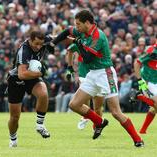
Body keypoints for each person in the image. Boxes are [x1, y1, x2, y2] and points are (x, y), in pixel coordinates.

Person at [45, 10, 144, 147]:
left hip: (105, 74)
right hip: (93, 74)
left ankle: (138, 139)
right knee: (74, 104)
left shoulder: (98, 36)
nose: (76, 27)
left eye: (78, 24)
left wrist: (79, 44)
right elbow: (67, 31)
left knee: (115, 112)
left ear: (87, 23)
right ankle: (100, 122)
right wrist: (53, 43)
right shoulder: (82, 31)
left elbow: (87, 58)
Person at [7, 31, 51, 148]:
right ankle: (13, 139)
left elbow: (58, 37)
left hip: (32, 76)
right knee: (15, 117)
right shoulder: (24, 51)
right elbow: (22, 74)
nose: (38, 47)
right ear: (30, 40)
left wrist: (76, 36)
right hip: (17, 79)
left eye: (41, 44)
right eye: (36, 44)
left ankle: (40, 125)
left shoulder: (43, 41)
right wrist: (40, 73)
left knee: (43, 93)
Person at [66, 43, 104, 130]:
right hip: (84, 76)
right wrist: (69, 67)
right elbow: (70, 50)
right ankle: (86, 117)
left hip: (99, 77)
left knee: (98, 107)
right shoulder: (80, 42)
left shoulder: (100, 42)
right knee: (81, 102)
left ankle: (97, 126)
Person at [134, 43, 157, 134]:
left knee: (153, 108)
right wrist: (140, 82)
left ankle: (143, 130)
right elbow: (137, 63)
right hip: (147, 81)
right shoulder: (151, 51)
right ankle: (140, 96)